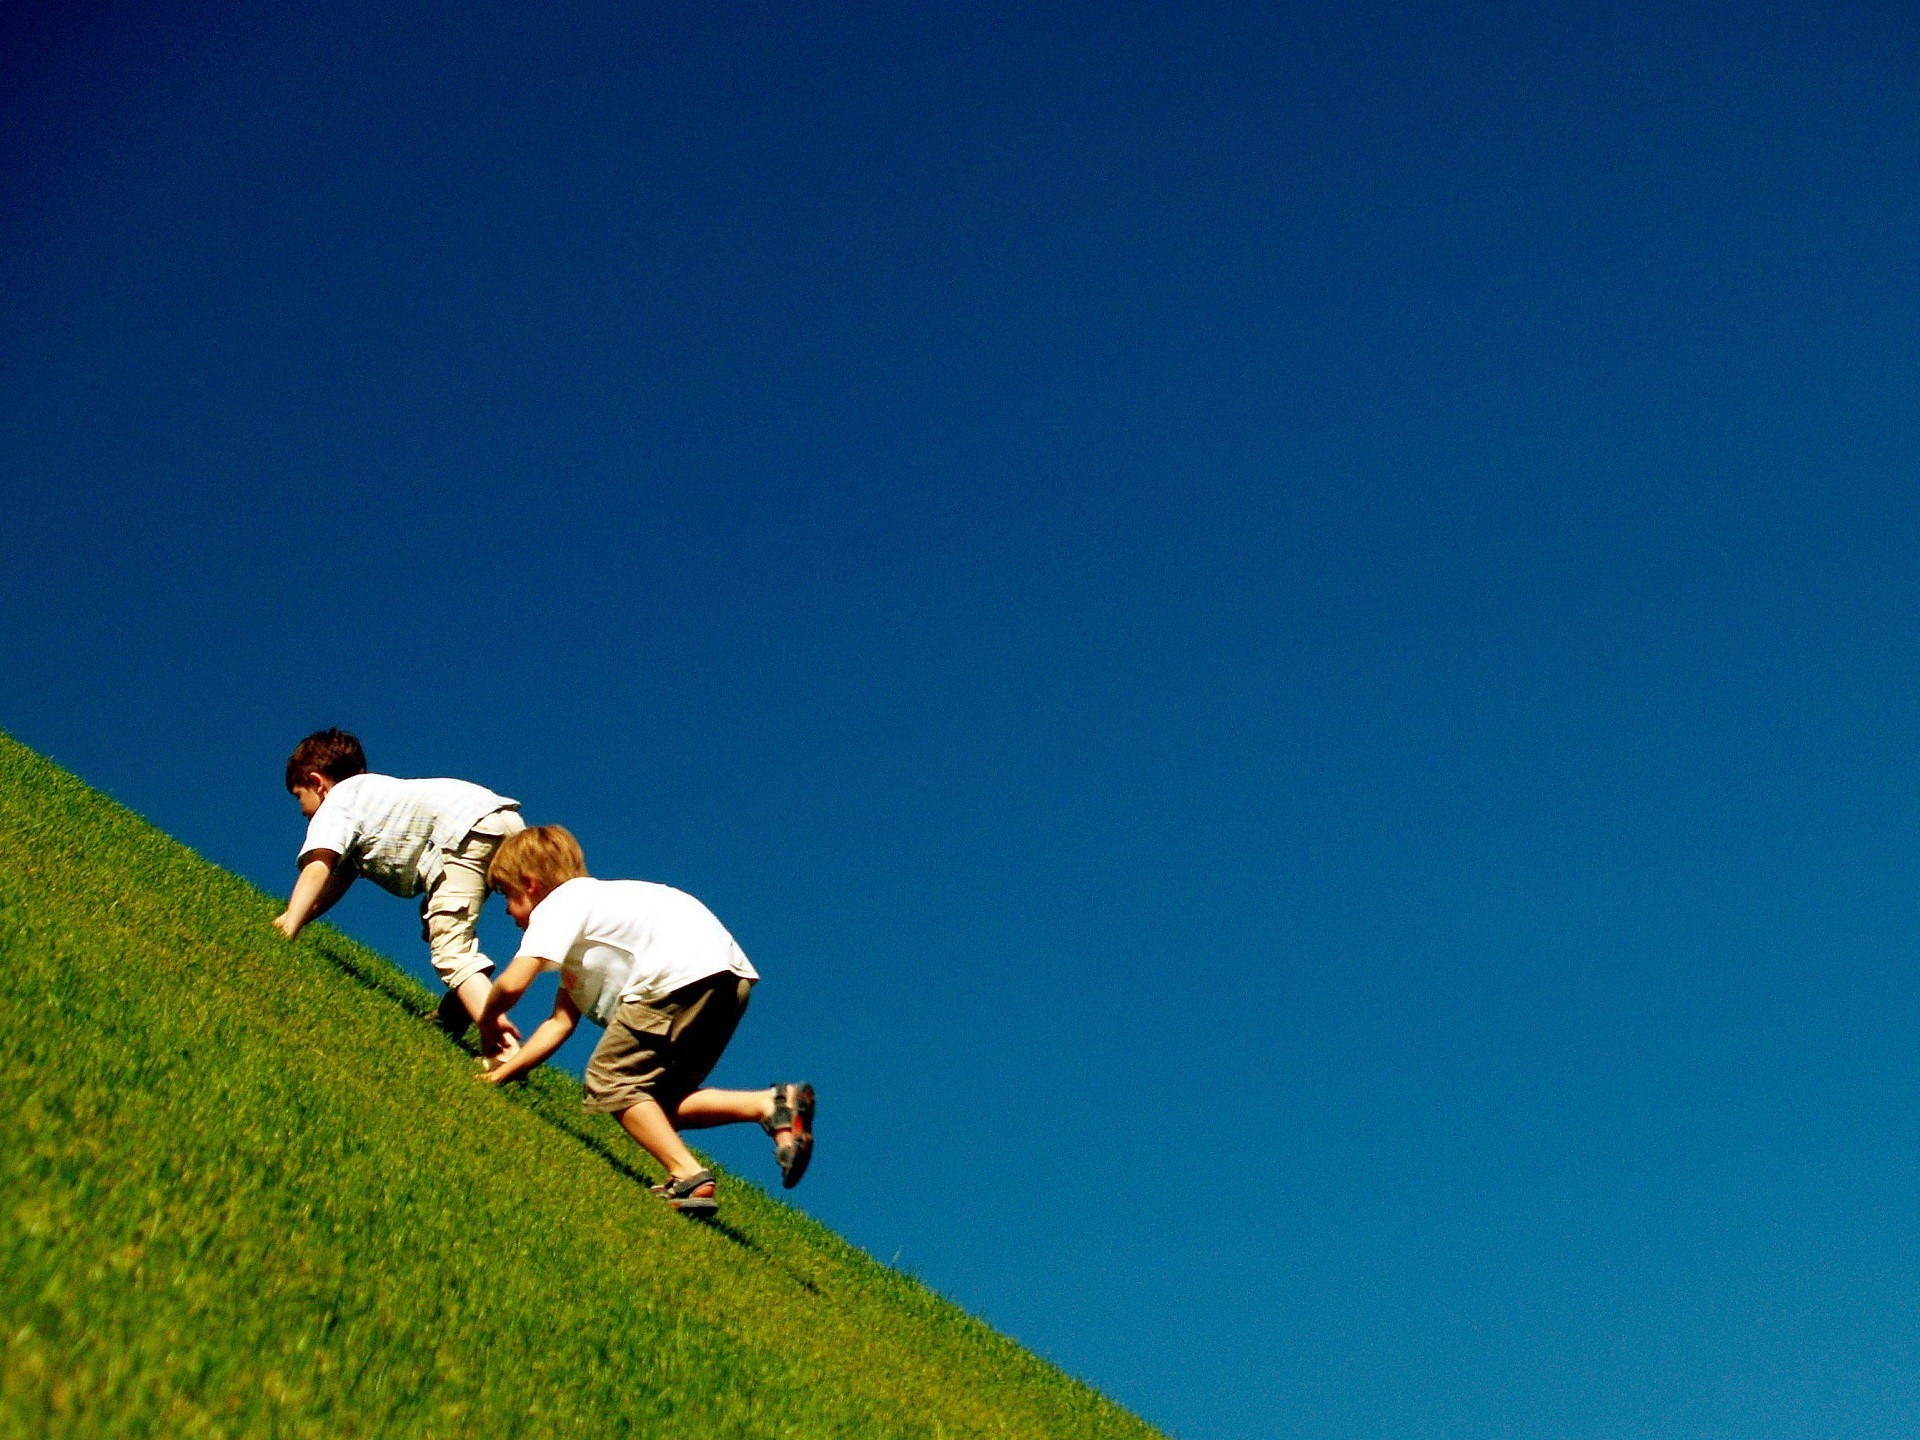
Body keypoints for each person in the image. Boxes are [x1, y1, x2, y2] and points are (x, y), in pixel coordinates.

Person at [478, 824, 813, 1215]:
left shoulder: (559, 905)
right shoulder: (596, 919)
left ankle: (688, 1174)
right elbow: (559, 1024)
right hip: (727, 978)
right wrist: (501, 1075)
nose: (505, 910)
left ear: (530, 884)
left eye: (507, 895)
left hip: (676, 973)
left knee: (609, 1080)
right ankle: (770, 1105)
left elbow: (513, 983)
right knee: (653, 1102)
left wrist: (486, 1019)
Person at [273, 728, 525, 1057]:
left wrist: (289, 928)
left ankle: (504, 1050)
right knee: (435, 919)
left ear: (317, 782)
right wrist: (296, 916)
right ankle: (457, 1009)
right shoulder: (370, 795)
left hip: (464, 831)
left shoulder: (337, 802)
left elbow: (318, 867)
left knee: (452, 949)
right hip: (501, 820)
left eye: (299, 796)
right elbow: (336, 880)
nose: (303, 810)